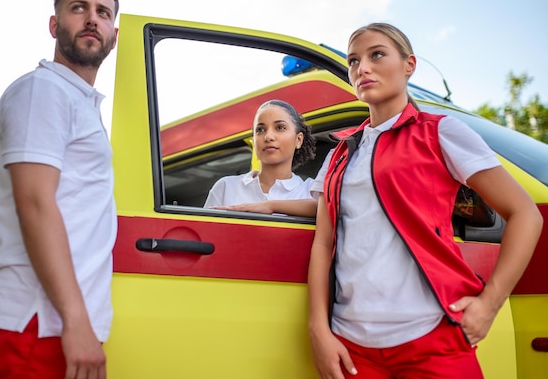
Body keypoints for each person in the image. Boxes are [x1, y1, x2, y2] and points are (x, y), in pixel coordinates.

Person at [307, 23, 543, 379]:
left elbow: (525, 213)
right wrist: (319, 331)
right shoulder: (340, 151)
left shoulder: (441, 131)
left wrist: (489, 304)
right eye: (354, 61)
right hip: (353, 347)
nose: (362, 68)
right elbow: (324, 243)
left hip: (432, 338)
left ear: (409, 65)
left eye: (377, 55)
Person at [0, 0, 119, 379]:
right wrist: (74, 321)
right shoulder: (44, 90)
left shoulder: (77, 100)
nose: (92, 19)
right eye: (79, 8)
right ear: (55, 26)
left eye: (102, 13)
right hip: (39, 322)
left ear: (114, 34)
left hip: (53, 322)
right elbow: (35, 204)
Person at [204, 99, 318, 217]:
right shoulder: (226, 187)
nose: (268, 137)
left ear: (298, 140)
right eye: (260, 130)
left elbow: (327, 210)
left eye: (280, 127)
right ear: (254, 141)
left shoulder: (312, 190)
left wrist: (271, 206)